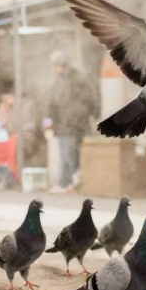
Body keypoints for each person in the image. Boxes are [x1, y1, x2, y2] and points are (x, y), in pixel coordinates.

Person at [45, 51, 94, 192]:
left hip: (71, 125)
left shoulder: (74, 81)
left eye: (56, 66)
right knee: (69, 154)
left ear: (62, 65)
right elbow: (53, 105)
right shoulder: (62, 81)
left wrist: (70, 120)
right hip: (66, 124)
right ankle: (68, 183)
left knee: (70, 155)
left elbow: (83, 103)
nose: (54, 69)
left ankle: (67, 183)